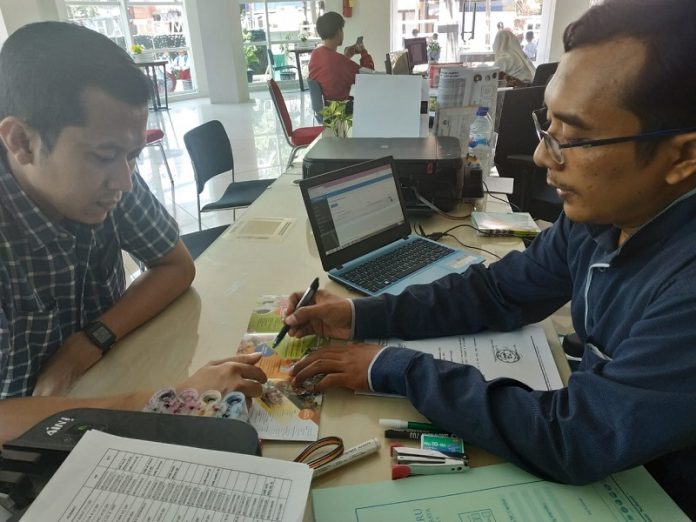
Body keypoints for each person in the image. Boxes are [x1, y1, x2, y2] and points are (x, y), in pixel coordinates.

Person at [287, 0, 696, 516]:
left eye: (574, 138)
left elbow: (575, 437)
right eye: (548, 126)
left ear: (682, 157)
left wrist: (397, 368)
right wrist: (360, 315)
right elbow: (499, 291)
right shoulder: (603, 217)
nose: (543, 156)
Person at [0, 22, 267, 444]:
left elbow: (175, 266)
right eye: (104, 155)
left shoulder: (110, 176)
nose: (124, 182)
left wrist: (89, 342)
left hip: (99, 391)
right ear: (21, 141)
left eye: (133, 156)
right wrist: (169, 401)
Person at [308, 11, 374, 102]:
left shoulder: (315, 54)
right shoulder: (340, 61)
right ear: (339, 31)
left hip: (325, 108)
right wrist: (363, 52)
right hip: (341, 109)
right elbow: (369, 77)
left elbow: (333, 69)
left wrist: (346, 57)